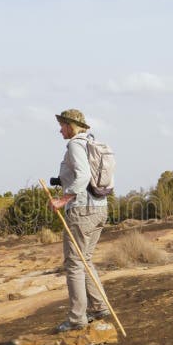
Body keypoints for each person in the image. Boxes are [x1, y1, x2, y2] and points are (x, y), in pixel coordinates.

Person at [48, 109, 110, 332]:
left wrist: (63, 200)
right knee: (86, 260)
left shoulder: (75, 144)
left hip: (82, 211)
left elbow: (83, 176)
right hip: (99, 209)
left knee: (74, 264)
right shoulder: (91, 142)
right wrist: (61, 180)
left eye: (63, 125)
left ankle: (77, 319)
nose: (60, 129)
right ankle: (99, 307)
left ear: (72, 126)